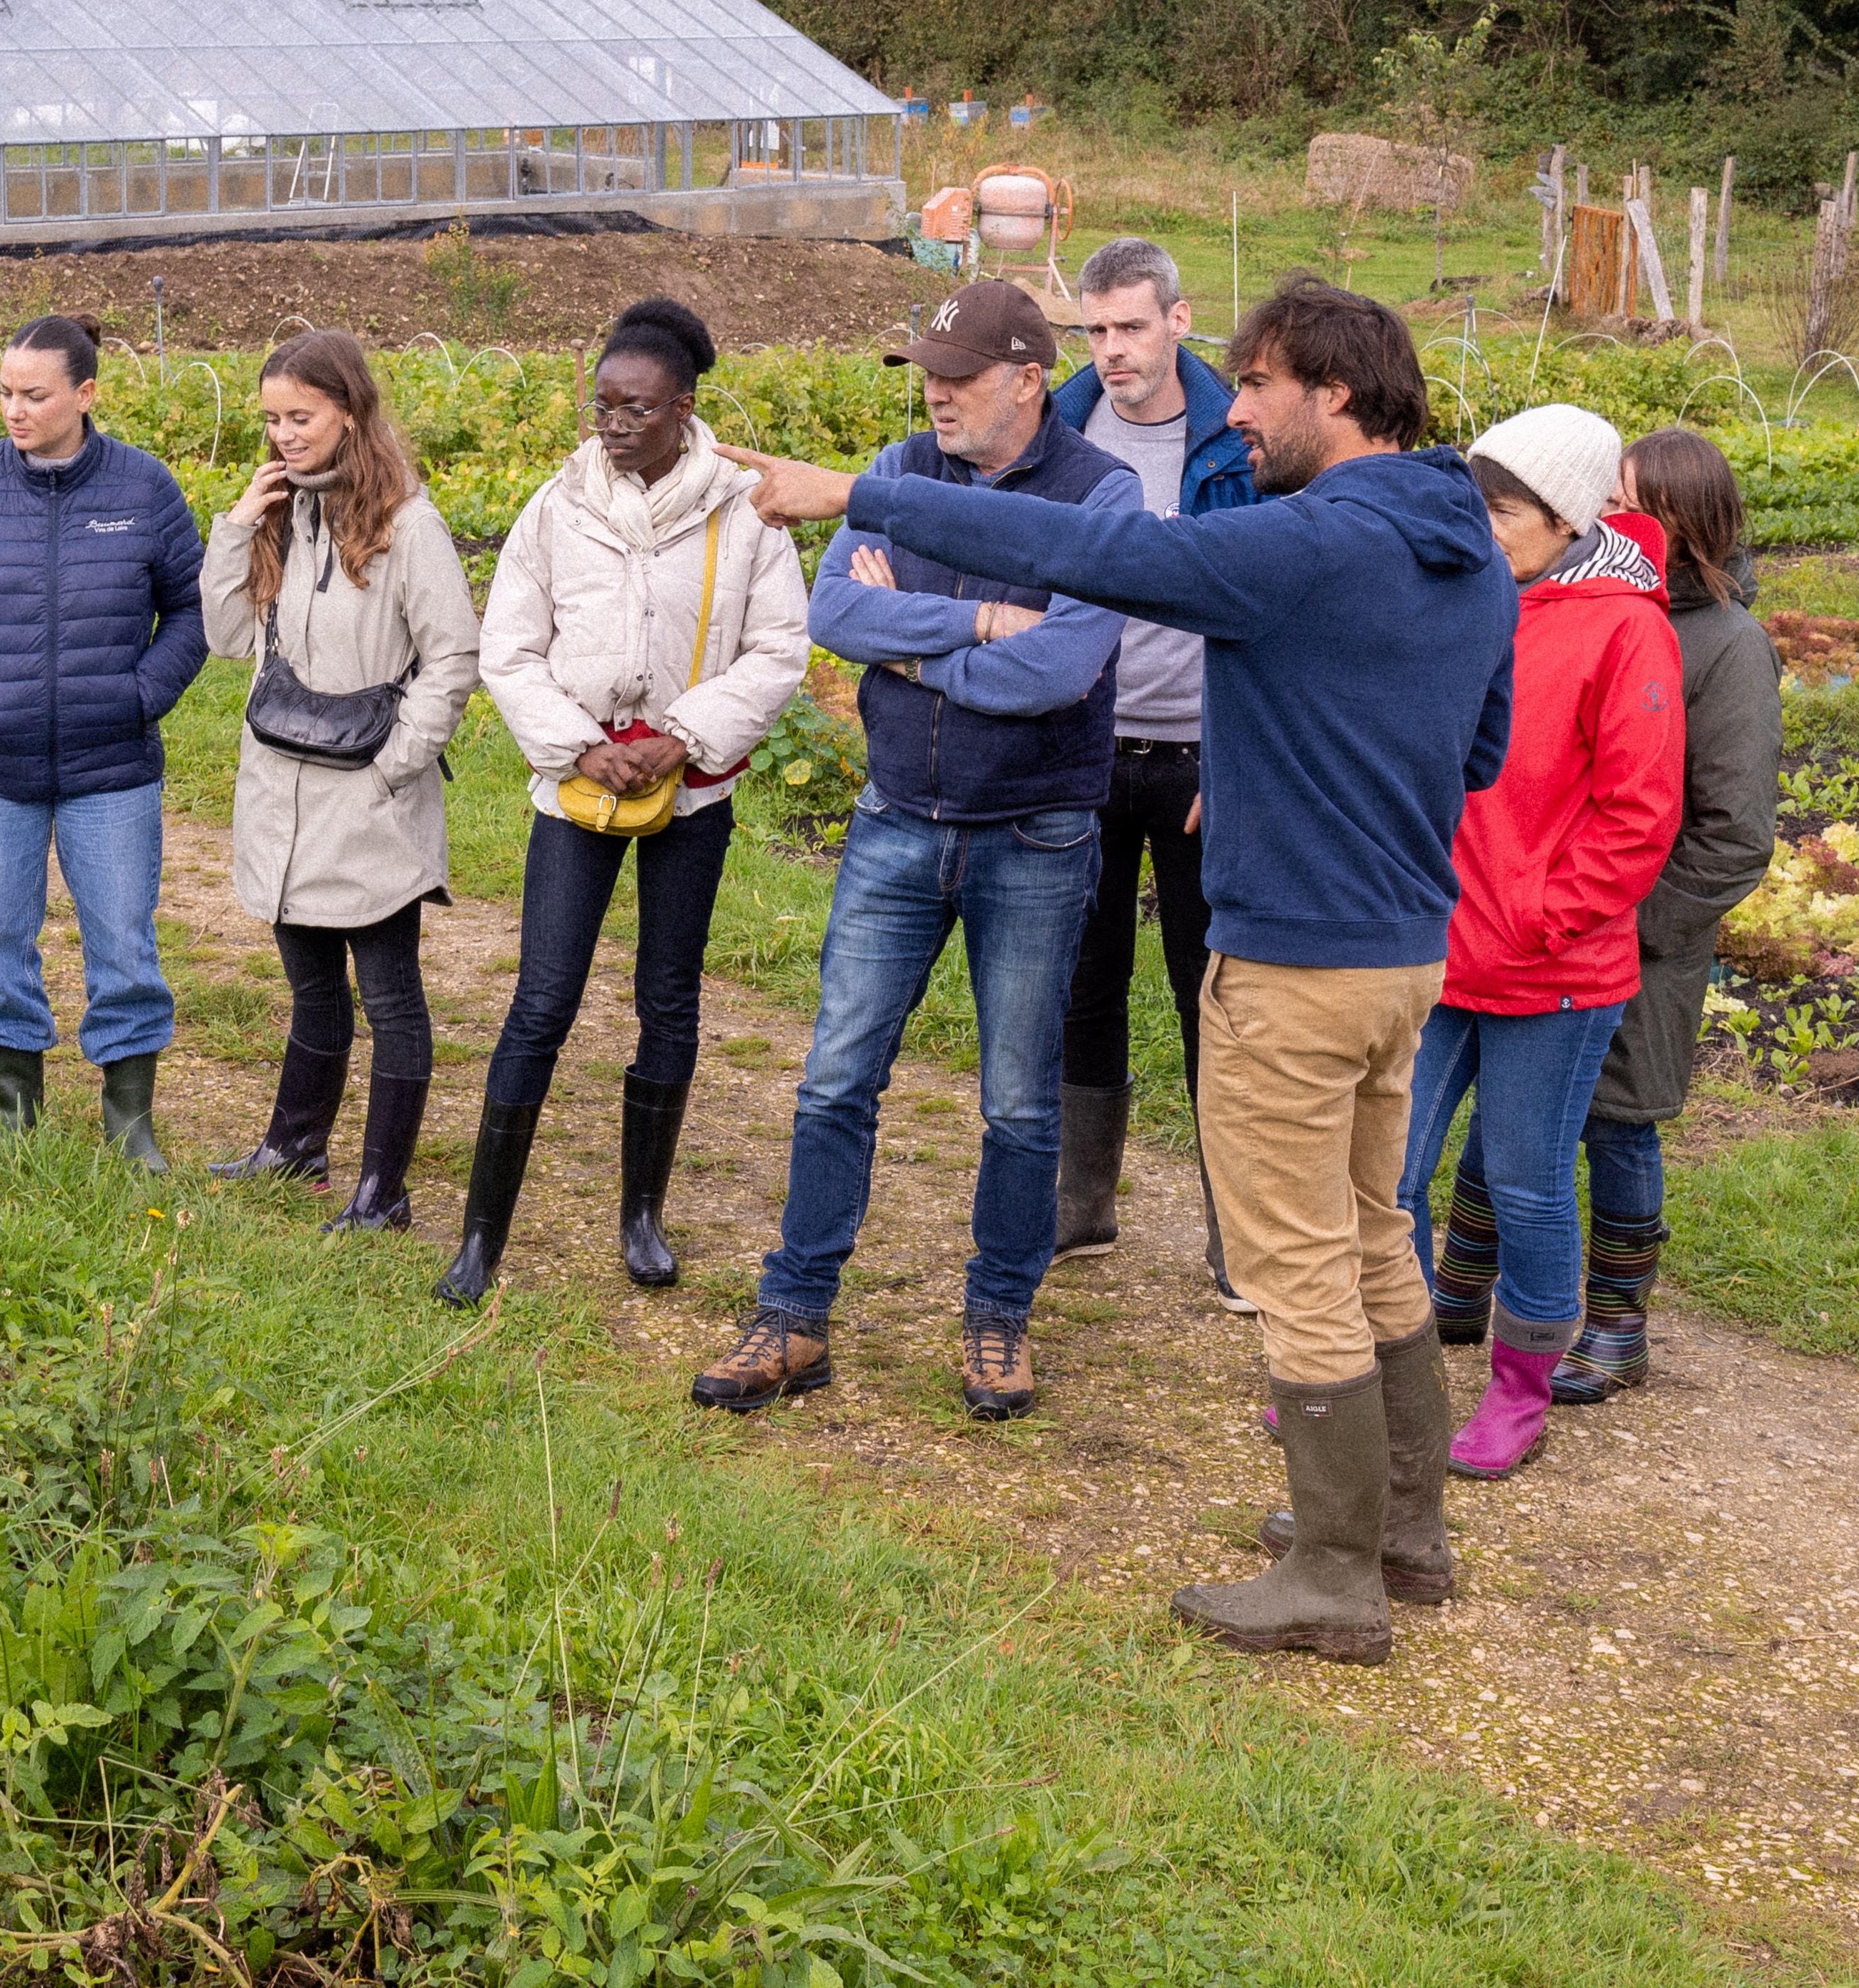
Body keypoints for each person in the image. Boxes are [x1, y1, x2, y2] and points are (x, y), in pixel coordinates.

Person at [720, 275, 1515, 1668]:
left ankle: (1335, 1573)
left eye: (1259, 384)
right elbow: (1478, 751)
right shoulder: (1466, 546)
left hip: (1296, 954)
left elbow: (1097, 557)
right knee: (1374, 1233)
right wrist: (1316, 765)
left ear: (1334, 393)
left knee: (1298, 1261)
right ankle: (1404, 1529)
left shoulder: (1304, 541)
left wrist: (858, 490)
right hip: (1403, 948)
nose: (1241, 408)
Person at [690, 282, 1132, 1420]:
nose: (933, 392)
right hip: (896, 817)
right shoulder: (899, 469)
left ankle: (997, 1317)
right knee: (835, 1076)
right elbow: (837, 616)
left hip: (1034, 831)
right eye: (925, 372)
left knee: (1017, 1101)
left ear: (1028, 378)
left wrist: (912, 652)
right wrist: (984, 624)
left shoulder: (1101, 493)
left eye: (959, 374)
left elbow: (1060, 672)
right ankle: (793, 1316)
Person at [448, 296, 810, 1306]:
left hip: (687, 791)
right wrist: (574, 742)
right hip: (576, 788)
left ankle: (641, 1213)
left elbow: (778, 647)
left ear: (682, 408)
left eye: (635, 408)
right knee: (540, 1000)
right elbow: (508, 649)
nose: (612, 424)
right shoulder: (555, 506)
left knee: (667, 998)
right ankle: (481, 1236)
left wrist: (682, 738)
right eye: (601, 404)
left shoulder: (742, 509)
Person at [1389, 405, 1683, 1479]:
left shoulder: (1624, 628)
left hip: (1550, 969)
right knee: (1386, 1175)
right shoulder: (1469, 597)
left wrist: (1533, 915)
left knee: (1521, 1183)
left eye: (1501, 511)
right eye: (1472, 504)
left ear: (1565, 518)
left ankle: (1518, 1392)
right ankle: (1392, 1381)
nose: (1480, 527)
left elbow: (1636, 814)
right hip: (1429, 944)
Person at [0, 312, 207, 1171]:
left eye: (33, 394)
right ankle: (12, 1111)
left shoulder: (143, 490)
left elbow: (193, 608)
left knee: (125, 946)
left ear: (85, 394)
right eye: (3, 392)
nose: (13, 411)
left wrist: (141, 694)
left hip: (113, 768)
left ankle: (128, 1118)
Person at [200, 330, 482, 1230]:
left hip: (367, 800)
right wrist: (239, 522)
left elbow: (452, 660)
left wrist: (394, 767)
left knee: (390, 997)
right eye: (273, 419)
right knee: (313, 990)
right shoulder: (286, 513)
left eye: (301, 417)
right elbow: (228, 637)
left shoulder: (410, 526)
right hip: (280, 792)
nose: (283, 434)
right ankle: (295, 1148)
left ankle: (382, 1191)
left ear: (350, 412)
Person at [1047, 237, 1261, 1305]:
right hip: (1083, 743)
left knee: (1205, 992)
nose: (1111, 349)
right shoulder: (1057, 425)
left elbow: (1268, 611)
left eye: (1130, 326)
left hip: (1196, 756)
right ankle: (1077, 1204)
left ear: (1179, 320)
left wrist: (1242, 762)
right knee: (1078, 980)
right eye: (1093, 329)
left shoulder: (1235, 438)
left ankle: (1239, 1237)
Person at [1557, 429, 1780, 1402]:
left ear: (1680, 522)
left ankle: (1614, 1323)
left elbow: (1733, 833)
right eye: (1601, 500)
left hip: (1644, 940)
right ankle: (1464, 1287)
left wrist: (1638, 924)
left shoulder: (1725, 646)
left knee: (1616, 1122)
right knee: (1515, 1110)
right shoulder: (1586, 608)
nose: (1605, 517)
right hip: (1554, 918)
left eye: (1626, 502)